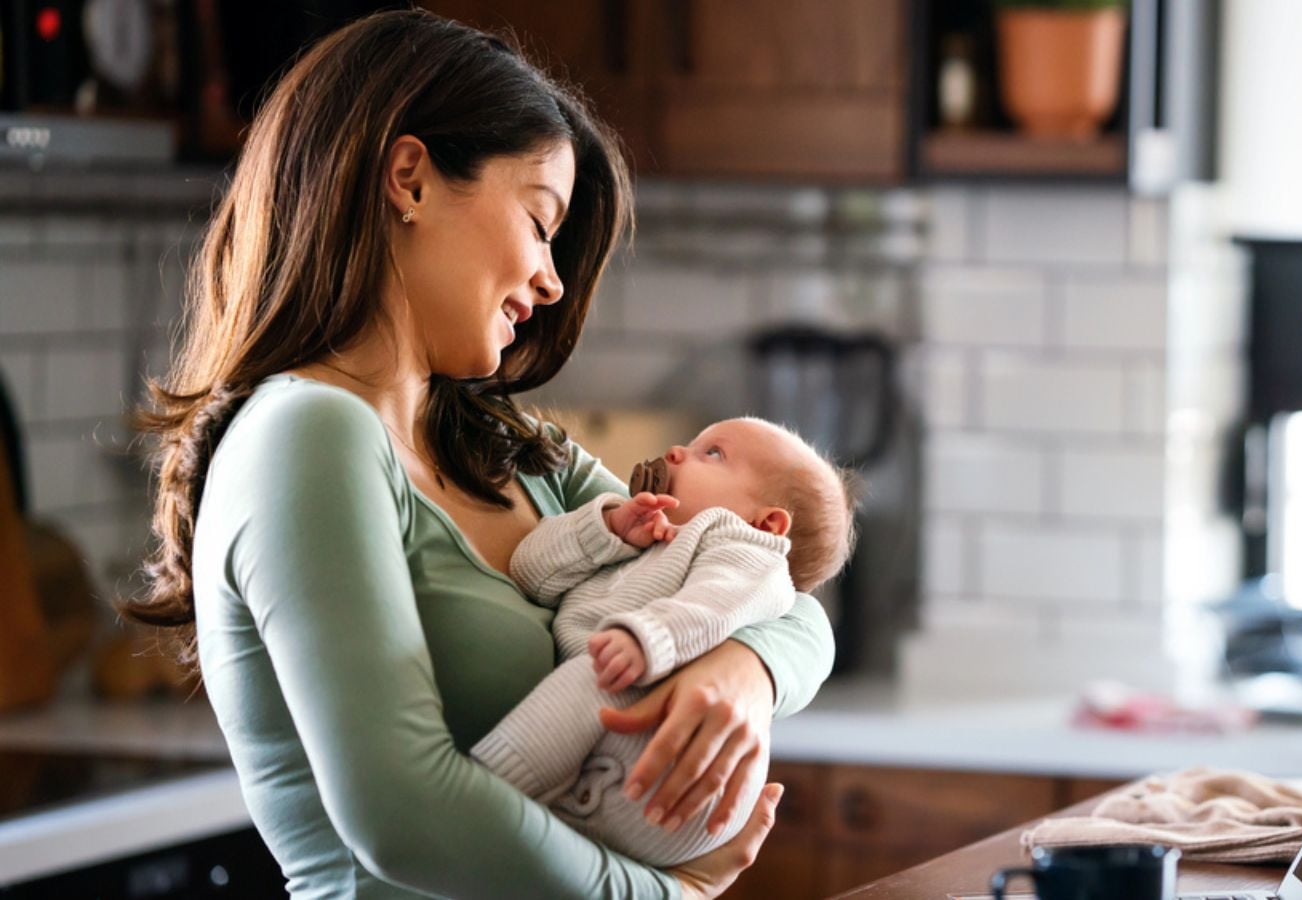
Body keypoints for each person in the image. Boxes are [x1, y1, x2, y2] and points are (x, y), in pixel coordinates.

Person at [118, 10, 834, 899]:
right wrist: (669, 894)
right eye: (541, 222)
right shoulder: (308, 435)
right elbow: (406, 819)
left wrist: (747, 671)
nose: (553, 279)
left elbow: (787, 596)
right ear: (409, 178)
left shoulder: (527, 459)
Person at [472, 417, 858, 867]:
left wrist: (650, 638)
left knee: (595, 676)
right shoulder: (640, 534)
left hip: (671, 762)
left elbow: (717, 601)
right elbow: (529, 573)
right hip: (609, 765)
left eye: (713, 453)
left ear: (767, 524)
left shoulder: (741, 549)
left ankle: (485, 790)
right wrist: (608, 529)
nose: (676, 452)